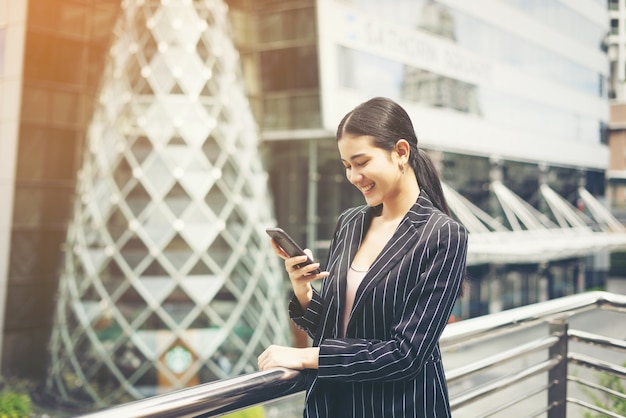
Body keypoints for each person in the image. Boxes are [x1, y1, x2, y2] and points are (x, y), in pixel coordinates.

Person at [258, 97, 468, 417]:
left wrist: (306, 357)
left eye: (362, 162)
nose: (354, 176)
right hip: (333, 407)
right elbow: (341, 330)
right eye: (346, 166)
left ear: (400, 152)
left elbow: (406, 354)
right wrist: (303, 292)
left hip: (400, 409)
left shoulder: (443, 236)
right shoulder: (351, 223)